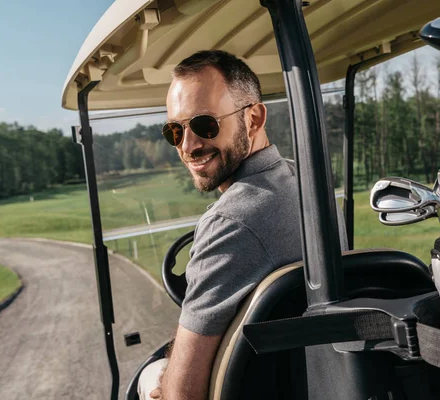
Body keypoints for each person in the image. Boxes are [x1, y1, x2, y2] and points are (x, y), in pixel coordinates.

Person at [138, 50, 346, 400]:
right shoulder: (306, 183)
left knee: (149, 377)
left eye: (205, 125)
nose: (188, 146)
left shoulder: (228, 222)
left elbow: (182, 394)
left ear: (253, 118)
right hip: (305, 378)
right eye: (174, 131)